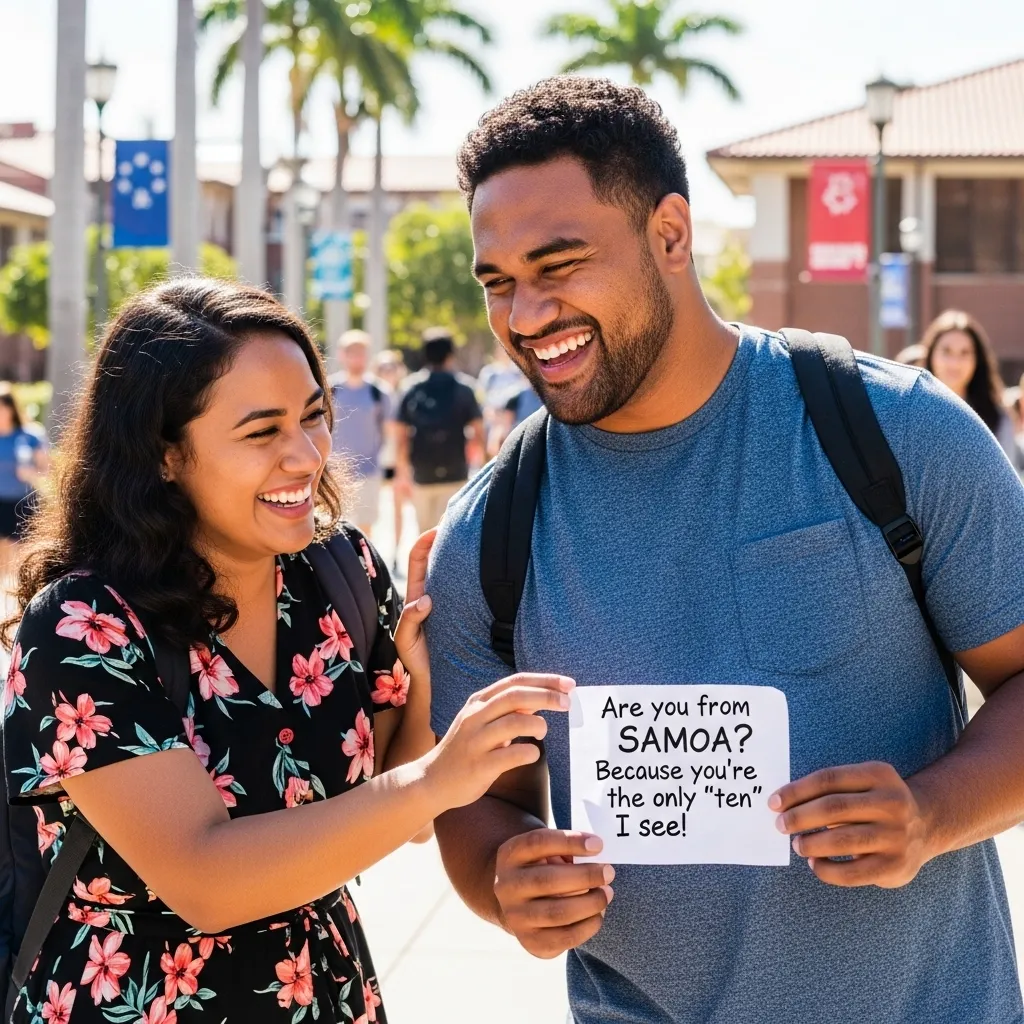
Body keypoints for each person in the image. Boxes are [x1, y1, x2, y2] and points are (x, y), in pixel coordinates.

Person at [425, 77, 1024, 1024]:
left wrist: (932, 814)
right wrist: (503, 880)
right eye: (498, 281)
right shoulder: (486, 533)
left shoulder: (896, 435)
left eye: (560, 263)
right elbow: (470, 802)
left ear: (672, 233)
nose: (526, 315)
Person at [0, 278, 573, 1024]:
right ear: (165, 455)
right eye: (261, 431)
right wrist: (435, 780)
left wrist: (429, 688)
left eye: (313, 416)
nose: (305, 455)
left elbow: (389, 810)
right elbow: (205, 878)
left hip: (324, 996)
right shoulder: (84, 625)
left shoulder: (342, 575)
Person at [395, 329, 484, 531]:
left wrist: (402, 472)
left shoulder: (412, 388)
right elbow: (478, 433)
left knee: (425, 533)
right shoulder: (464, 388)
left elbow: (401, 436)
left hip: (422, 472)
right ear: (450, 355)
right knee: (451, 533)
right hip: (455, 470)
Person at [921, 309, 1019, 468]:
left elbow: (1007, 483)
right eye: (947, 351)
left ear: (977, 360)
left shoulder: (997, 419)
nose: (955, 362)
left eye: (964, 353)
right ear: (931, 354)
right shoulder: (910, 410)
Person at [328, 330, 391, 534]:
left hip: (369, 471)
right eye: (352, 352)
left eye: (361, 353)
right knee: (335, 529)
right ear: (342, 355)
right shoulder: (329, 389)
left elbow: (388, 431)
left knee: (365, 530)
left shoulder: (379, 391)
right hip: (335, 472)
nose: (357, 358)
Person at [0, 383, 47, 579]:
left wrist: (31, 473)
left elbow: (46, 470)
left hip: (23, 502)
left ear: (11, 408)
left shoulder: (30, 435)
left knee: (21, 556)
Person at [371, 350, 411, 566]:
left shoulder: (407, 394)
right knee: (374, 509)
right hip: (378, 459)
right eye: (383, 367)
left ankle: (395, 553)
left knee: (398, 508)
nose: (388, 372)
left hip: (399, 460)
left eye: (392, 367)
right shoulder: (374, 393)